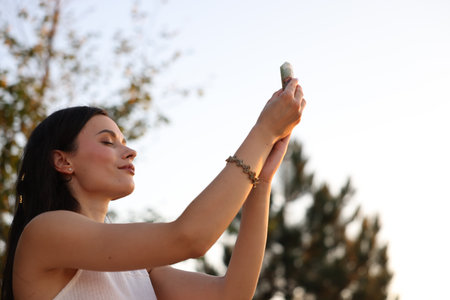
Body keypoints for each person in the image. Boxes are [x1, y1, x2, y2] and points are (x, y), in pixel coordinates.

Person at [1, 78, 306, 300]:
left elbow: (232, 293)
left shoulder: (138, 269)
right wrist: (264, 131)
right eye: (108, 141)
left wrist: (261, 183)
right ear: (63, 161)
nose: (130, 151)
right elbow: (190, 237)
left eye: (124, 141)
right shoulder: (45, 233)